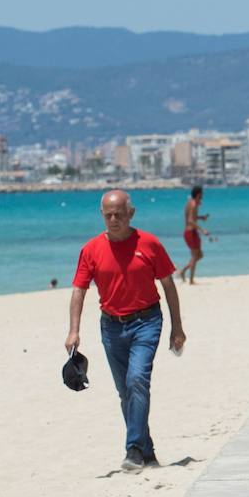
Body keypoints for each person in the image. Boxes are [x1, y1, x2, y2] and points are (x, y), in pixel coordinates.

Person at [65, 189, 186, 472]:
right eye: (108, 215)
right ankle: (148, 451)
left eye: (119, 213)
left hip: (147, 322)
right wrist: (73, 331)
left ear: (131, 213)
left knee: (137, 380)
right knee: (126, 392)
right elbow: (79, 291)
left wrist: (177, 327)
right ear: (102, 215)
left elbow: (169, 286)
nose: (114, 219)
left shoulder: (150, 243)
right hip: (111, 327)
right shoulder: (91, 249)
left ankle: (132, 448)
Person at [178, 185, 210, 284]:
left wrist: (201, 218)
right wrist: (202, 230)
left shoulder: (190, 203)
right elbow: (190, 220)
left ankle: (183, 272)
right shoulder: (194, 204)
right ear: (198, 194)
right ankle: (190, 280)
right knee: (196, 256)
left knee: (199, 255)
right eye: (201, 195)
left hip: (190, 232)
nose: (202, 197)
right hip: (191, 233)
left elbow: (192, 217)